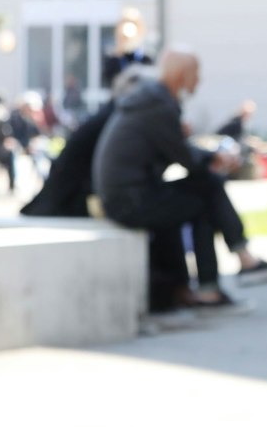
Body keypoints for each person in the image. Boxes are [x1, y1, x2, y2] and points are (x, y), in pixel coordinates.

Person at [92, 50, 248, 313]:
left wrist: (204, 154)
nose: (199, 80)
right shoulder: (158, 104)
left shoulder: (151, 99)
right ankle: (231, 267)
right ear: (181, 75)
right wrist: (215, 157)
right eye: (196, 73)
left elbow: (172, 150)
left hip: (127, 196)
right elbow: (186, 157)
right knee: (205, 192)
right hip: (129, 202)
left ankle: (220, 277)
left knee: (203, 188)